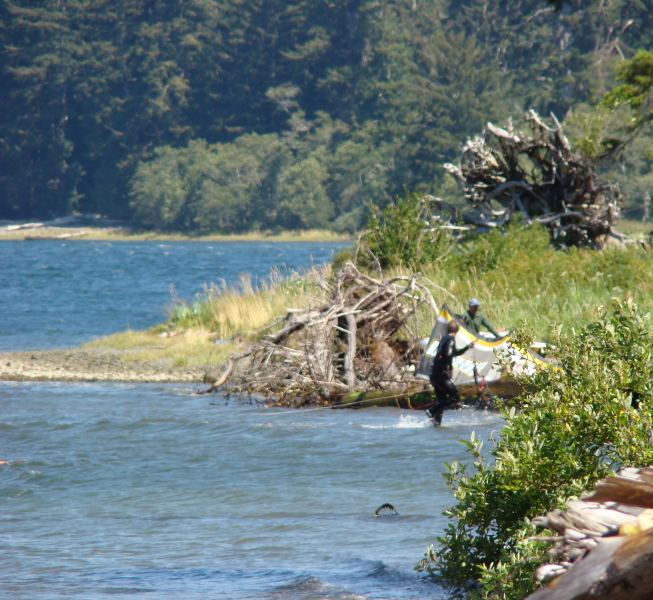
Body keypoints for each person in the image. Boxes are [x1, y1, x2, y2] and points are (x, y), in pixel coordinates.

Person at [427, 320, 474, 426]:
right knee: (455, 398)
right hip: (441, 375)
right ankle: (431, 410)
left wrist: (468, 347)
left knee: (441, 400)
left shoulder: (444, 339)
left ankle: (436, 423)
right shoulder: (451, 339)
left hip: (435, 374)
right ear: (456, 330)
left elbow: (454, 352)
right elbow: (449, 354)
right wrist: (450, 368)